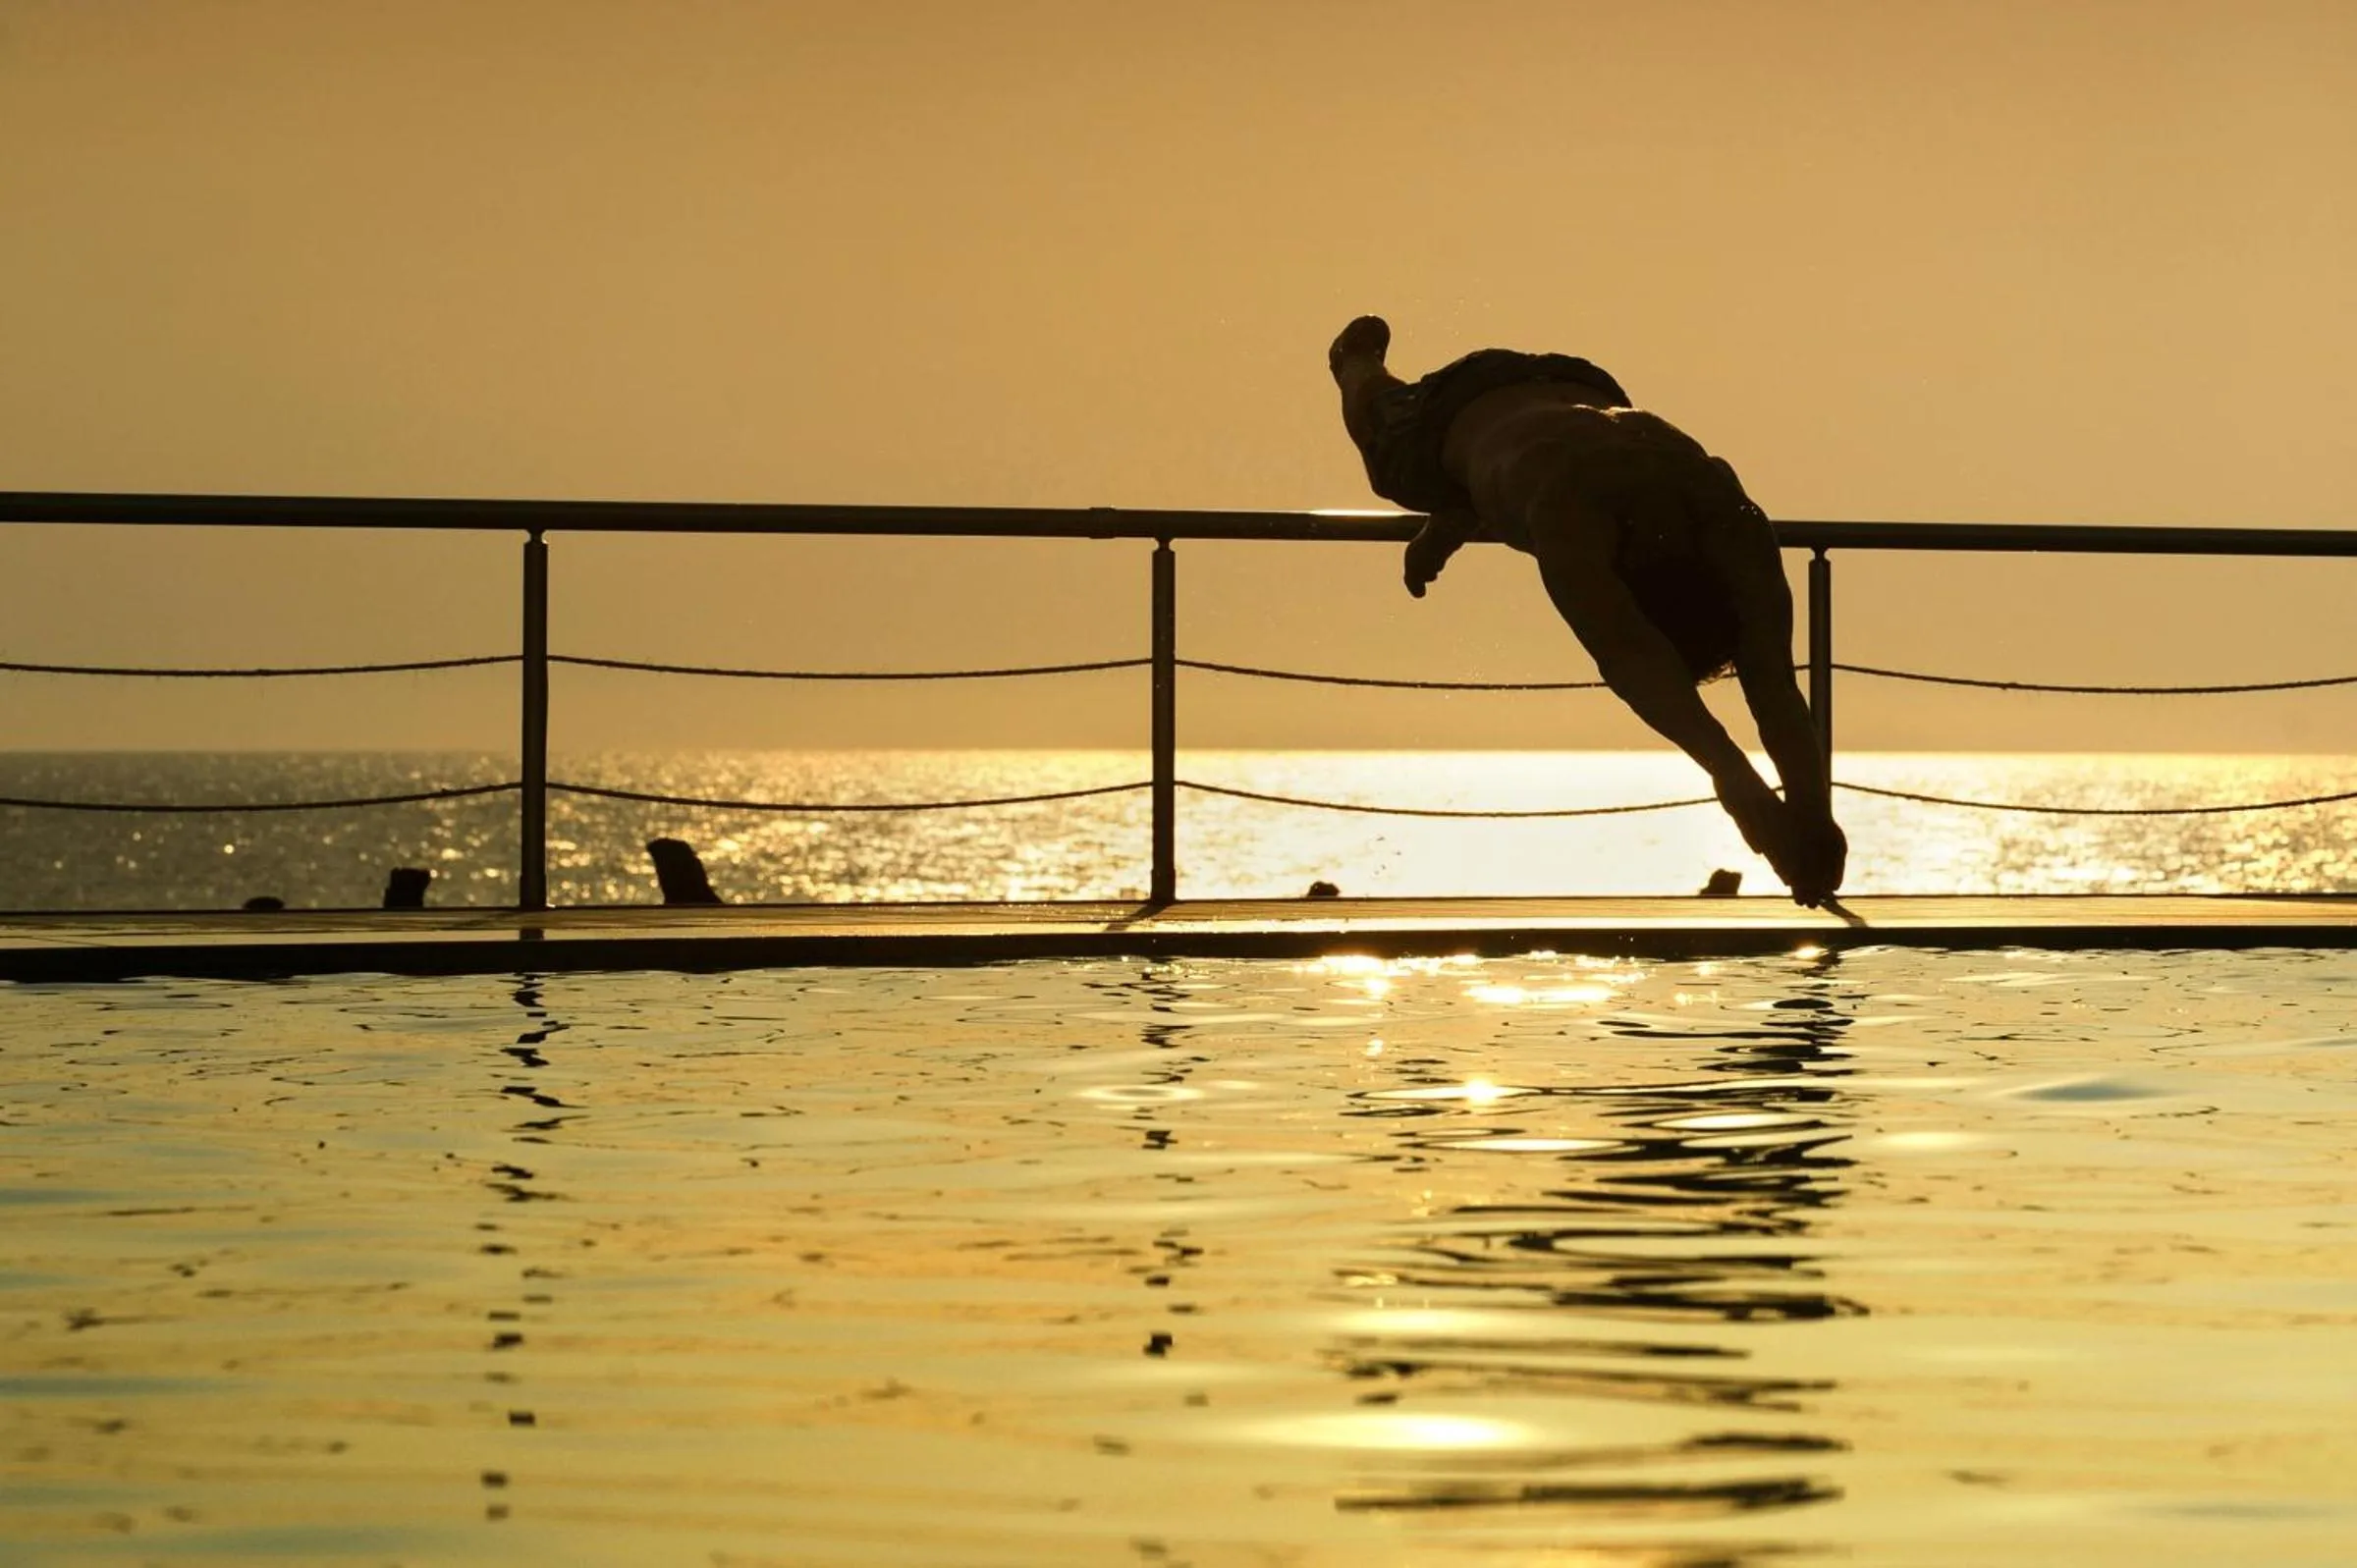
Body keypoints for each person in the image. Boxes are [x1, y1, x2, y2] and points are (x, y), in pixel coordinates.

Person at [1328, 314, 1846, 905]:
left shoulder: (1718, 501)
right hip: (1459, 410)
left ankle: (1454, 510)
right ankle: (1356, 366)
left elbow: (1767, 679)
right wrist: (1747, 794)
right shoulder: (1581, 515)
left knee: (1498, 468)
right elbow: (1648, 665)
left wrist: (1811, 816)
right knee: (1396, 460)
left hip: (1585, 390)